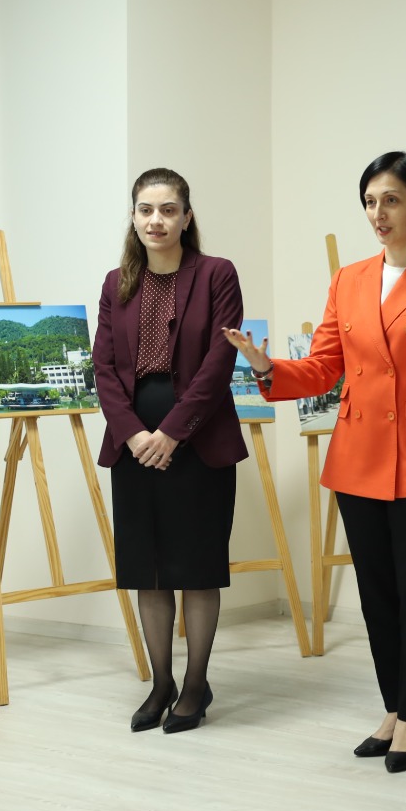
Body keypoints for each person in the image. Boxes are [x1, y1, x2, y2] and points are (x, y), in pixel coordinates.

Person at [224, 151, 406, 773]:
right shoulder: (349, 279)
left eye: (391, 200)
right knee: (378, 595)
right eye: (370, 201)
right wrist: (266, 368)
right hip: (360, 456)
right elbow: (324, 367)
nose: (378, 213)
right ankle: (394, 706)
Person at [92, 167, 247, 734]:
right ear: (133, 217)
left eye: (167, 209)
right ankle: (161, 683)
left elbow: (218, 364)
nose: (155, 220)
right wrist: (134, 434)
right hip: (134, 439)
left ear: (186, 217)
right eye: (145, 209)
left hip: (198, 437)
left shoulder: (216, 274)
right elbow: (103, 366)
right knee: (149, 570)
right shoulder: (117, 283)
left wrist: (174, 432)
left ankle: (196, 684)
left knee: (197, 568)